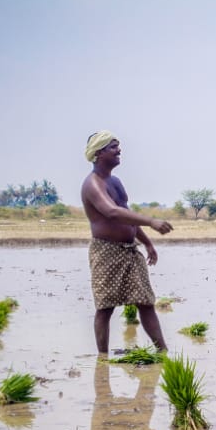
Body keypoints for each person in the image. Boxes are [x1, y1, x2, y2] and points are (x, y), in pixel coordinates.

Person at [81, 130, 173, 353]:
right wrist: (151, 221)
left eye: (118, 146)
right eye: (113, 147)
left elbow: (125, 213)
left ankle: (162, 351)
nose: (119, 150)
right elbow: (111, 212)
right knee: (105, 307)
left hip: (130, 251)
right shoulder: (93, 184)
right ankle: (102, 359)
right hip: (106, 252)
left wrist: (147, 242)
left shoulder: (116, 182)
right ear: (98, 153)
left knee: (145, 302)